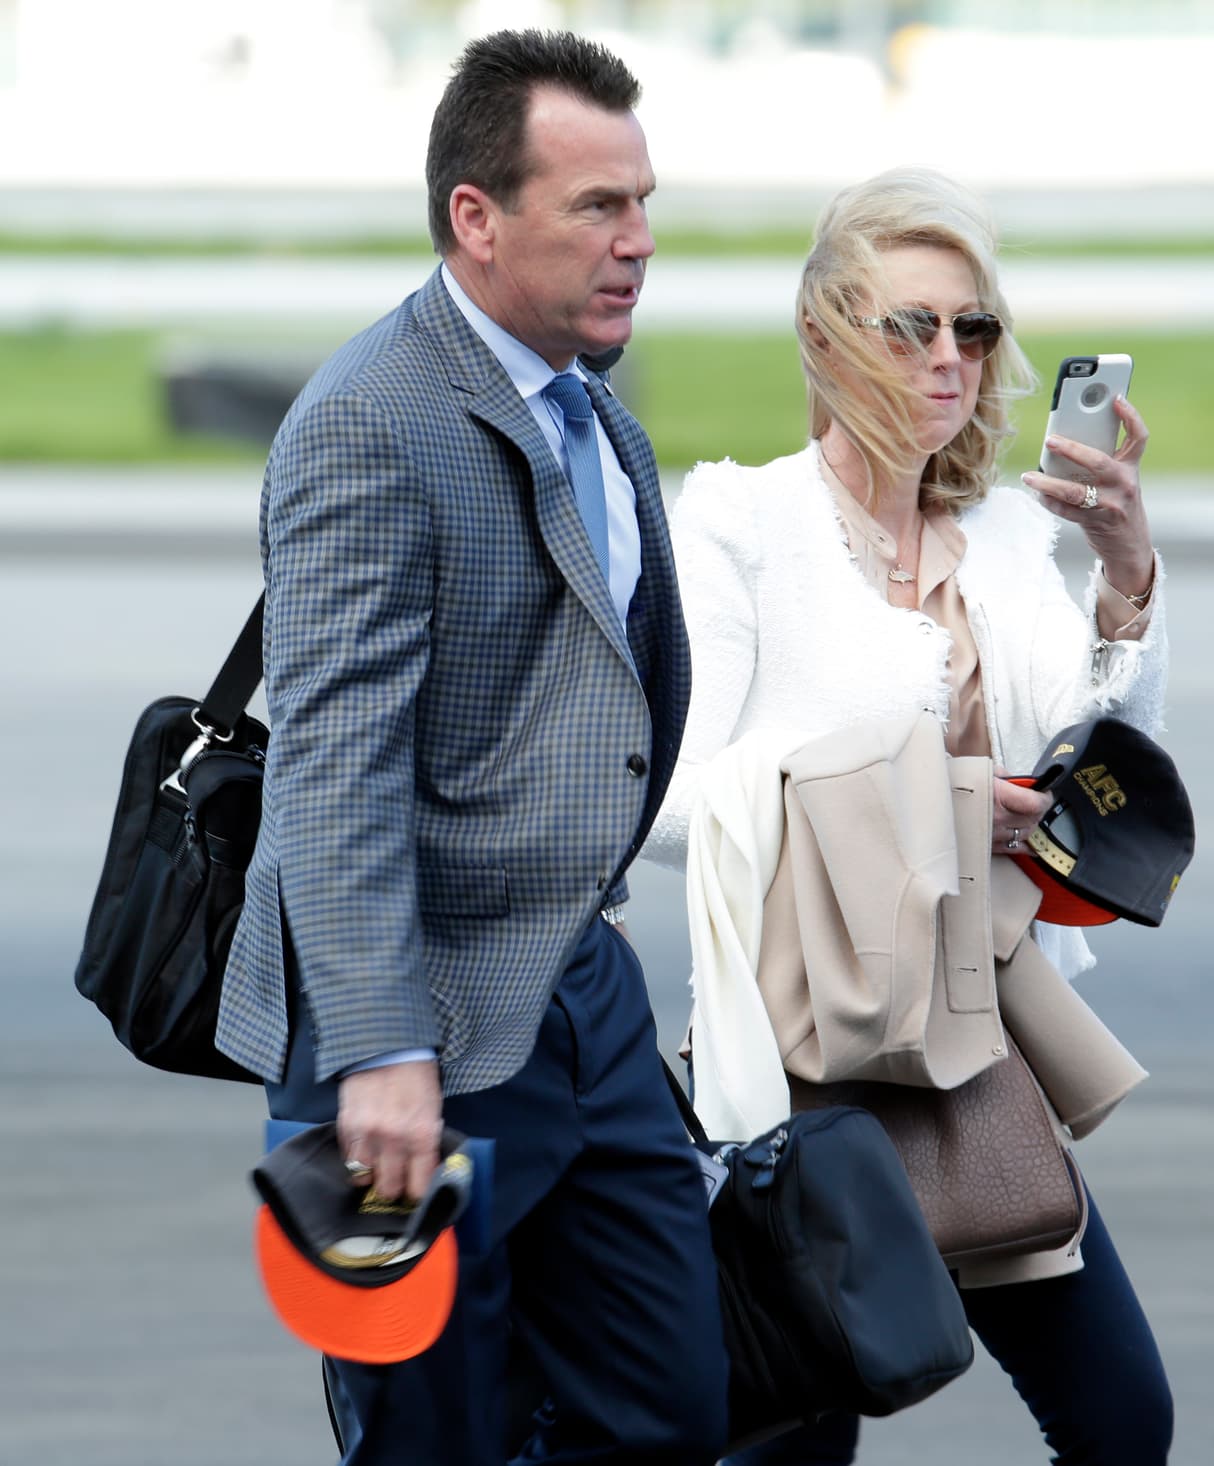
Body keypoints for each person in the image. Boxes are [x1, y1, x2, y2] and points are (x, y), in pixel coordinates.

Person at [216, 29, 727, 1466]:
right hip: (411, 1021)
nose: (637, 243)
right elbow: (335, 765)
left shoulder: (585, 397)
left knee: (676, 1404)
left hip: (576, 983)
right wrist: (381, 1045)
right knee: (436, 1428)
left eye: (644, 205)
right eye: (598, 208)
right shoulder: (371, 426)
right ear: (476, 217)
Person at [643, 167, 1175, 1465]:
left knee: (1124, 1419)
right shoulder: (739, 523)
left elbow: (1099, 765)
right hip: (805, 1059)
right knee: (798, 1439)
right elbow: (673, 794)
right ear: (826, 338)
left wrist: (1125, 579)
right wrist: (926, 802)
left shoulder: (998, 535)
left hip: (974, 1049)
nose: (952, 355)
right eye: (913, 324)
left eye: (974, 327)